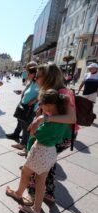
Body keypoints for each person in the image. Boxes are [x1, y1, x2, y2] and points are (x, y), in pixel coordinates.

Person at [6, 89, 71, 213]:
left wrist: (37, 118)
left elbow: (33, 133)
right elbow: (64, 135)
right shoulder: (62, 119)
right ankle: (36, 211)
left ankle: (18, 193)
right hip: (51, 152)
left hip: (40, 151)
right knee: (41, 183)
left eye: (42, 104)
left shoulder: (49, 122)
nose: (40, 106)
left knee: (25, 172)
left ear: (50, 105)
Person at [25, 63, 77, 205]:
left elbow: (72, 118)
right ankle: (48, 193)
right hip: (53, 132)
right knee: (48, 162)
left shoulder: (63, 93)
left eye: (38, 76)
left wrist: (44, 118)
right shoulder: (50, 90)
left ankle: (32, 194)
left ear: (48, 77)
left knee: (37, 161)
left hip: (60, 135)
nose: (36, 79)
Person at [6, 62, 39, 155]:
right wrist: (22, 92)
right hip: (25, 106)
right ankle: (23, 143)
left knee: (26, 127)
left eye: (29, 73)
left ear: (34, 74)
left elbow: (42, 93)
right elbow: (29, 91)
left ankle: (24, 145)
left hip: (31, 108)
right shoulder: (32, 82)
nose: (27, 75)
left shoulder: (38, 83)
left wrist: (33, 101)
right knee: (23, 124)